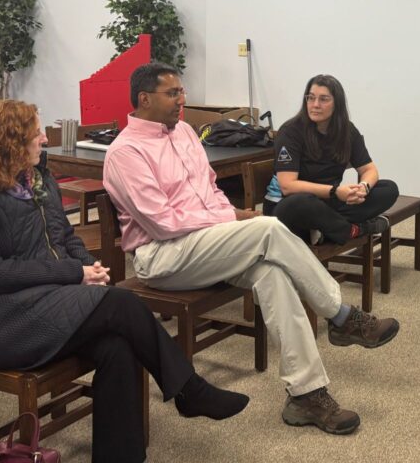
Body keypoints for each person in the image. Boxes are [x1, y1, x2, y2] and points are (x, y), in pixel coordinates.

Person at [0, 100, 249, 463]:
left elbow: (65, 238)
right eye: (35, 133)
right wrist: (73, 273)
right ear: (8, 140)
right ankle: (189, 390)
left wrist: (89, 268)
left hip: (42, 302)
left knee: (118, 345)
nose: (44, 139)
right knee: (121, 303)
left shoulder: (37, 181)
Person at [103, 62, 400, 436]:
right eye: (173, 93)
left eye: (181, 91)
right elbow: (163, 223)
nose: (182, 99)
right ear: (144, 99)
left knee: (272, 273)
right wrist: (232, 220)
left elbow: (211, 191)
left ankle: (306, 394)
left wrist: (228, 219)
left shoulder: (185, 134)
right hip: (163, 256)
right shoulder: (126, 152)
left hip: (207, 244)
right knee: (268, 228)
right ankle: (341, 315)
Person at [265, 75, 399, 244]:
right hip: (287, 206)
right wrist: (335, 191)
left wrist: (363, 187)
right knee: (302, 202)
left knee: (388, 189)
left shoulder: (347, 130)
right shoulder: (290, 131)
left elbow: (369, 169)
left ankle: (325, 227)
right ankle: (353, 230)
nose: (315, 105)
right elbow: (287, 186)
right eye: (311, 98)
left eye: (323, 99)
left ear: (337, 104)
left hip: (328, 202)